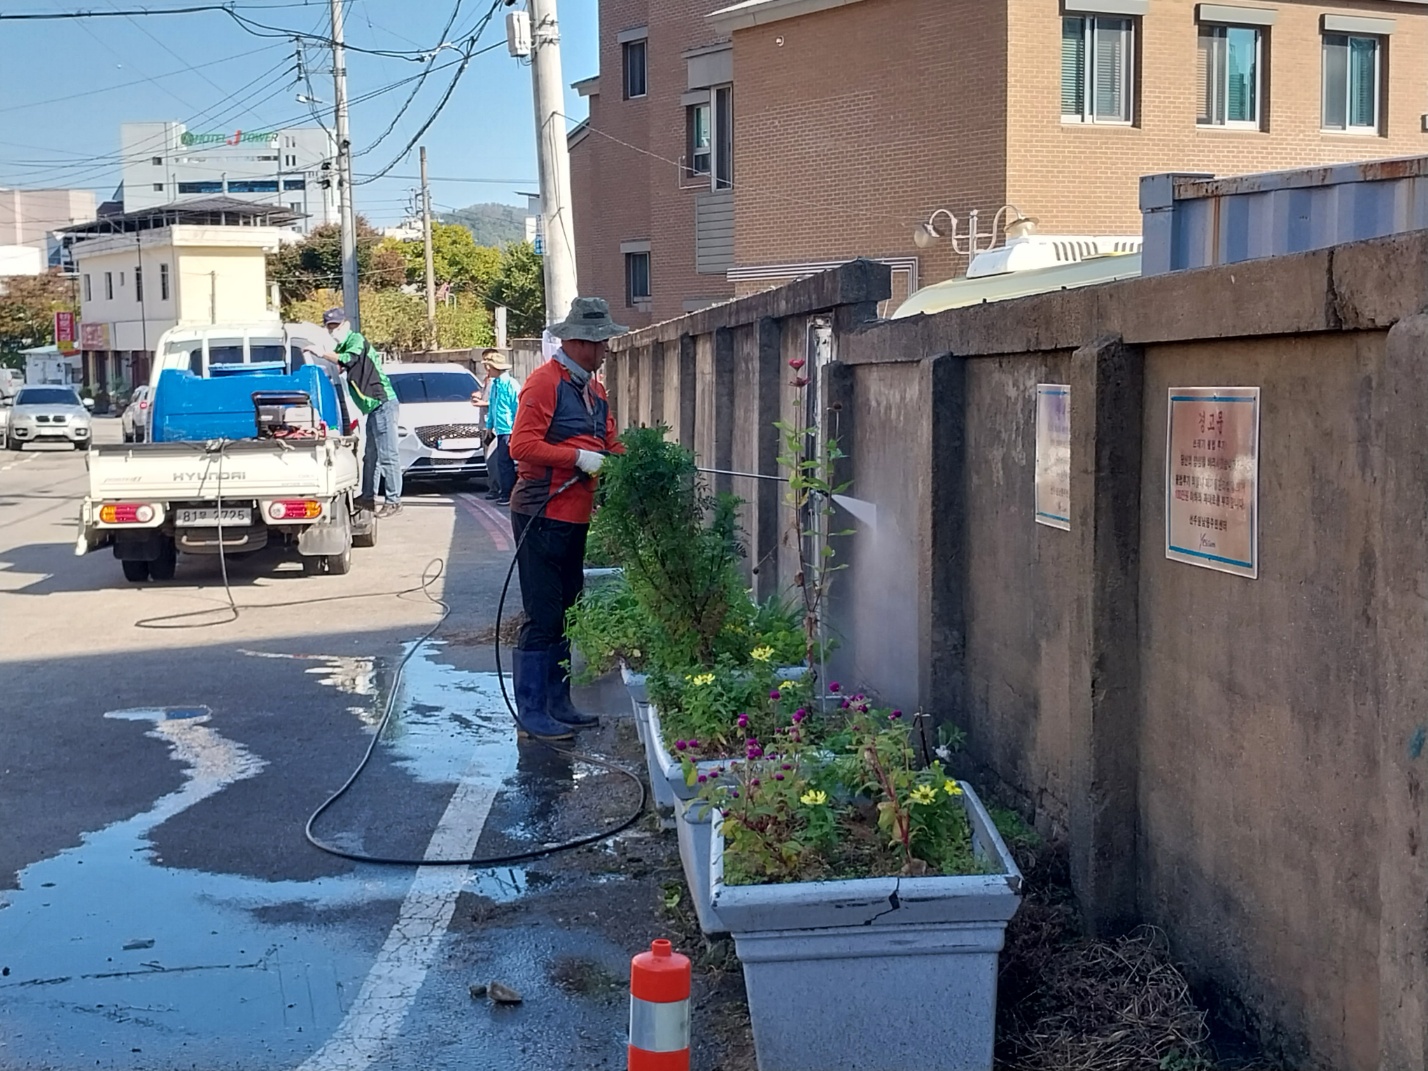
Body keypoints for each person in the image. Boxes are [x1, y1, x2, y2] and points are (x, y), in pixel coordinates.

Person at [506, 297, 626, 741]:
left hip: (574, 516)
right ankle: (533, 712)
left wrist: (633, 466)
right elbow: (521, 446)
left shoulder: (594, 392)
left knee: (568, 611)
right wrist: (578, 457)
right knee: (544, 614)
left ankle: (559, 703)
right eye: (601, 342)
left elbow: (612, 446)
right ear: (579, 342)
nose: (606, 349)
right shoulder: (543, 384)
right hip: (540, 512)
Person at [306, 307, 403, 518]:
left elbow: (347, 360)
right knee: (371, 457)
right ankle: (368, 496)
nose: (332, 330)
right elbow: (341, 366)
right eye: (329, 327)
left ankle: (394, 500)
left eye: (335, 326)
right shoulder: (344, 344)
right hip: (373, 407)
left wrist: (322, 353)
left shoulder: (356, 340)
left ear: (345, 324)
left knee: (387, 455)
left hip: (382, 402)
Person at [481, 348, 519, 505]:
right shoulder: (496, 384)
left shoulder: (511, 385)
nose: (487, 369)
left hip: (509, 430)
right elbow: (493, 407)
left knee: (506, 463)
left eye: (489, 366)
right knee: (502, 462)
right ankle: (504, 492)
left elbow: (517, 408)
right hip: (500, 429)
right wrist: (489, 426)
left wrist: (516, 430)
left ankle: (508, 494)